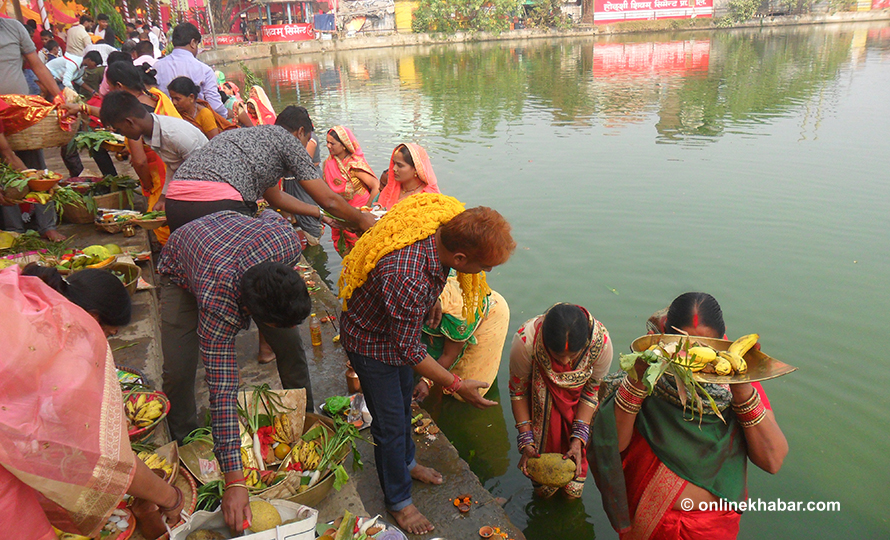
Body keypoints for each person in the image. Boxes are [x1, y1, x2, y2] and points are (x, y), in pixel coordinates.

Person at [338, 193, 515, 534]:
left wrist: (430, 299)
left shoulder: (440, 220)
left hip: (395, 331)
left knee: (404, 402)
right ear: (460, 258)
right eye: (484, 266)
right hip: (371, 341)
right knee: (389, 425)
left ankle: (407, 463)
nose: (487, 272)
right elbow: (408, 350)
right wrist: (456, 383)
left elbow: (417, 310)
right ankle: (398, 502)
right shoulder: (408, 275)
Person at [0, 265, 185, 539]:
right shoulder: (66, 347)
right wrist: (171, 498)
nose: (104, 343)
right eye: (108, 335)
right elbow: (107, 462)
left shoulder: (23, 299)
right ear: (94, 318)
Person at [158, 210, 312, 535]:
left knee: (292, 347)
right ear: (253, 316)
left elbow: (268, 213)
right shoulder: (219, 304)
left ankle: (307, 420)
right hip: (183, 266)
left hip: (226, 230)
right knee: (179, 370)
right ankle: (189, 449)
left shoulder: (287, 241)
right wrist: (235, 479)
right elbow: (223, 389)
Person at [590, 292, 789, 540]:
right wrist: (638, 381)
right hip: (649, 520)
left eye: (705, 346)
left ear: (721, 340)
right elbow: (614, 444)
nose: (695, 356)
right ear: (667, 338)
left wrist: (741, 387)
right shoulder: (649, 374)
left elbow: (773, 461)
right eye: (686, 345)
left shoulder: (737, 382)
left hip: (713, 527)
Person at [163, 117, 376, 234]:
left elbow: (276, 197)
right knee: (277, 234)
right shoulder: (288, 141)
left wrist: (320, 215)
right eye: (307, 139)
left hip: (174, 202)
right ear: (300, 132)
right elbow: (329, 200)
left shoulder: (249, 138)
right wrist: (361, 219)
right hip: (217, 205)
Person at [509, 303, 613, 499]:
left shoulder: (600, 344)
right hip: (539, 413)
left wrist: (578, 439)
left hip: (579, 412)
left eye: (572, 356)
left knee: (572, 493)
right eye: (558, 355)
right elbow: (518, 392)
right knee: (543, 491)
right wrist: (526, 439)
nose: (565, 362)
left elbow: (591, 391)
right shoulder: (526, 341)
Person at [104, 62, 193, 241]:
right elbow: (173, 165)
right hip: (175, 181)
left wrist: (149, 187)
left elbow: (140, 161)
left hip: (182, 184)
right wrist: (164, 197)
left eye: (121, 131)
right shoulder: (154, 103)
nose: (123, 136)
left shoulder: (168, 135)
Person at [0, 19, 65, 241]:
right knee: (5, 171)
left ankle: (47, 225)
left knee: (36, 167)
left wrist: (59, 97)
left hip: (21, 112)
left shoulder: (14, 27)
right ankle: (15, 230)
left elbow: (37, 66)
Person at [413, 274, 510, 403]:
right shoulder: (418, 285)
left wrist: (426, 381)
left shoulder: (461, 312)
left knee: (464, 390)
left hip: (487, 315)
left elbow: (448, 355)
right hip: (460, 304)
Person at [323, 126, 379, 255]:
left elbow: (376, 186)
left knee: (362, 250)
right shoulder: (328, 163)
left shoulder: (355, 165)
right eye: (327, 142)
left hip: (358, 213)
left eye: (332, 143)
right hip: (339, 213)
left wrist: (366, 210)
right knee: (344, 249)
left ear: (344, 146)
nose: (328, 146)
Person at [154, 23, 227, 117]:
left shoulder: (157, 66)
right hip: (195, 122)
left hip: (165, 120)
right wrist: (226, 114)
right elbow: (215, 106)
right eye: (197, 44)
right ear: (193, 43)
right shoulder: (204, 70)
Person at [278, 106, 323, 246]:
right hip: (294, 180)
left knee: (306, 210)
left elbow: (302, 164)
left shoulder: (311, 139)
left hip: (305, 180)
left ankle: (312, 237)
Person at [376, 143, 441, 209]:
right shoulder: (391, 189)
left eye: (400, 165)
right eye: (394, 163)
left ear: (416, 169)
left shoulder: (428, 197)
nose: (394, 169)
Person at [167, 76, 235, 139]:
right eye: (172, 98)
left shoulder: (204, 114)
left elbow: (214, 141)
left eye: (177, 99)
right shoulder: (174, 113)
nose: (173, 102)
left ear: (191, 97)